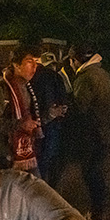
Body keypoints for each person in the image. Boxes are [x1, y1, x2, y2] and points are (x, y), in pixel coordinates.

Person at [70, 44, 110, 220]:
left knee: (92, 174)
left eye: (72, 61)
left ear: (76, 60)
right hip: (107, 133)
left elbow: (79, 108)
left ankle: (97, 218)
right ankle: (96, 214)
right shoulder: (104, 74)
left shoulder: (85, 78)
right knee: (96, 173)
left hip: (92, 135)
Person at [0, 44, 45, 176]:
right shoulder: (0, 89)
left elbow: (31, 117)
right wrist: (20, 125)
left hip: (27, 152)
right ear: (16, 65)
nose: (35, 67)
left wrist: (50, 114)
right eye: (29, 62)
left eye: (36, 62)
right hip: (5, 155)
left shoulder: (27, 88)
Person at [30, 51, 69, 186]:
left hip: (39, 122)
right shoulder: (57, 77)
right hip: (55, 122)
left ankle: (41, 187)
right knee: (52, 158)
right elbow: (65, 99)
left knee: (40, 159)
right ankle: (52, 188)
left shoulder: (34, 77)